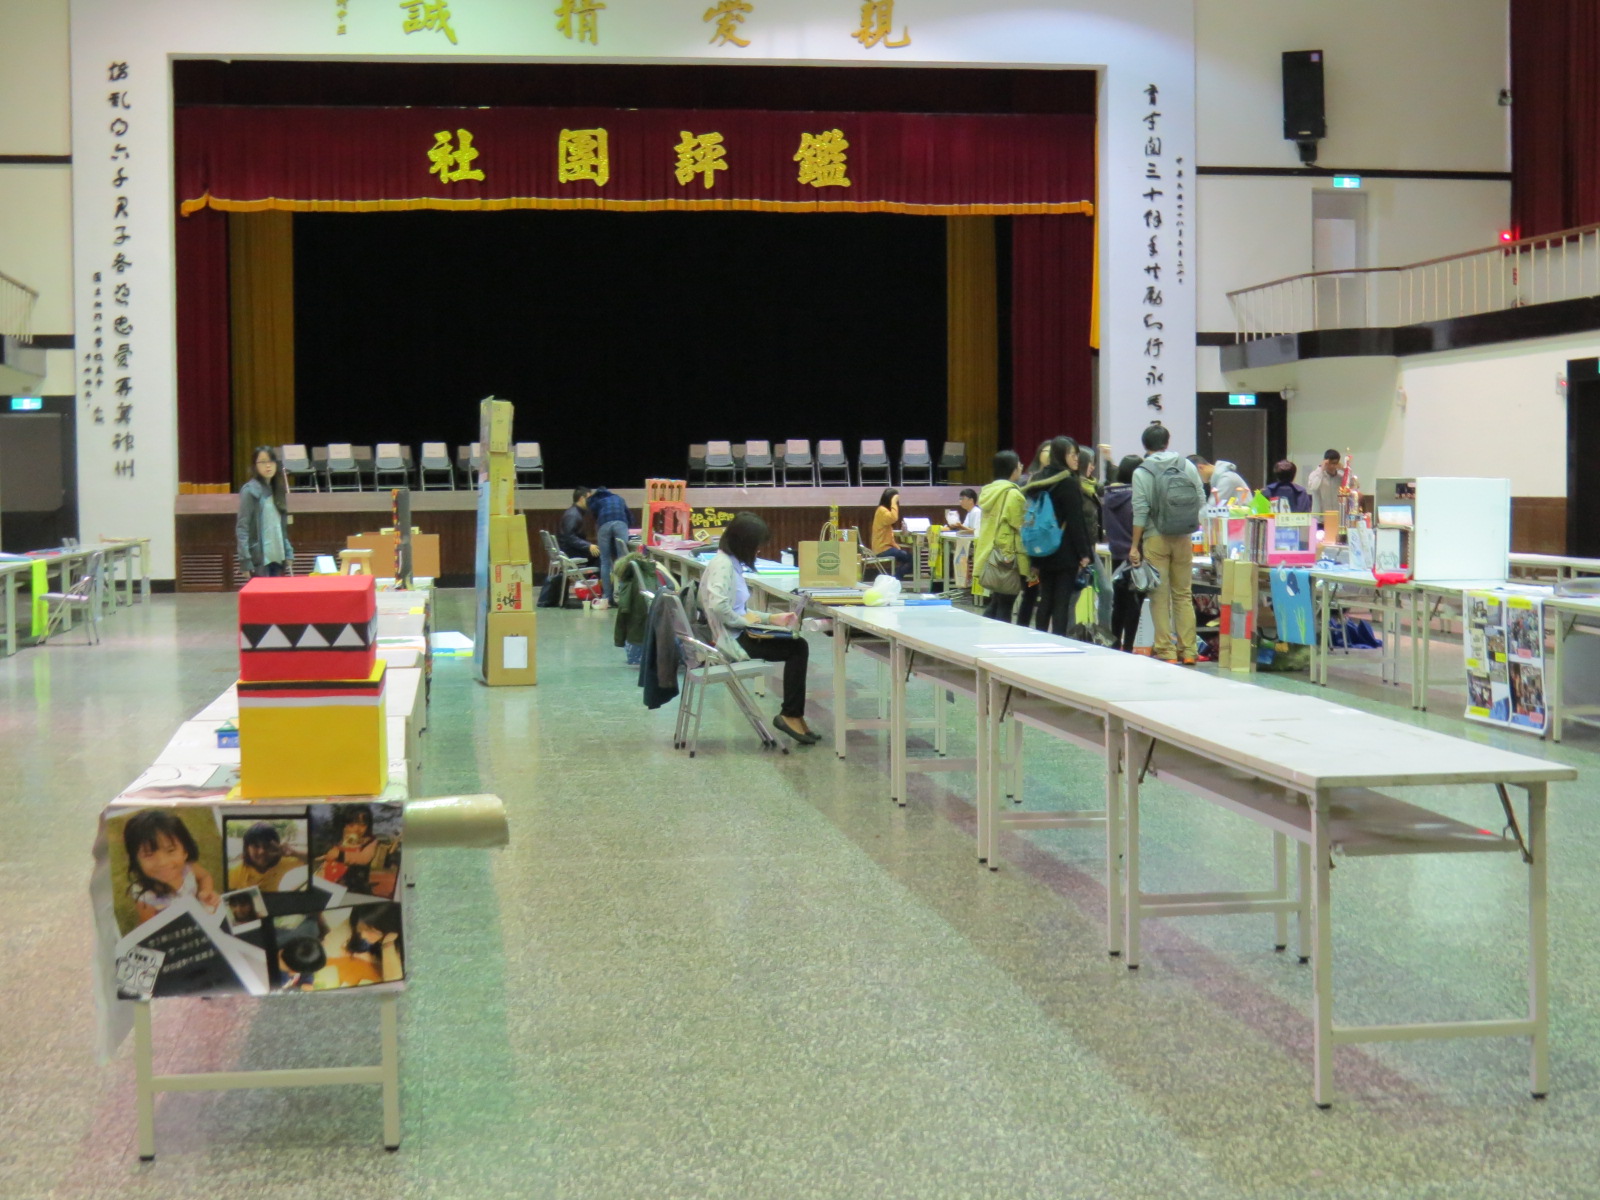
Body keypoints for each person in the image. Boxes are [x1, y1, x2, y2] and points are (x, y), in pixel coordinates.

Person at [700, 512, 816, 745]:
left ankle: (794, 714)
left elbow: (738, 610)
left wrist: (772, 618)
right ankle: (790, 714)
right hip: (730, 642)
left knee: (796, 644)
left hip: (735, 633)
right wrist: (748, 623)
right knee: (797, 648)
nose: (758, 550)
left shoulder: (729, 563)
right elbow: (719, 607)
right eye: (756, 546)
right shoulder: (723, 566)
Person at [1129, 424, 1207, 664]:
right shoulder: (1186, 465)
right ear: (1167, 442)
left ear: (1145, 445)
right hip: (1183, 537)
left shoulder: (1142, 471)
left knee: (1159, 596)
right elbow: (1200, 498)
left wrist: (1134, 545)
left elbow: (1140, 510)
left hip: (1155, 538)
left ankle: (1166, 650)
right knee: (1183, 594)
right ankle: (1189, 651)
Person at [1021, 435, 1094, 636]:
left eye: (1077, 454)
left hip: (1040, 546)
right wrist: (1084, 553)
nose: (1076, 459)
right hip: (1064, 549)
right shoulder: (1068, 482)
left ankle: (1040, 638)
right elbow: (1076, 520)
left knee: (1046, 599)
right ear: (1061, 455)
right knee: (1061, 601)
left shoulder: (1037, 478)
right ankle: (1059, 640)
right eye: (1072, 454)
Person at [122, 809, 220, 925]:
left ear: (185, 851)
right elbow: (149, 928)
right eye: (149, 854)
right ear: (136, 860)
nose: (162, 862)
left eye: (171, 850)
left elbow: (204, 877)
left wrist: (205, 892)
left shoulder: (188, 868)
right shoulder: (146, 896)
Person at [973, 450, 1028, 622]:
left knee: (998, 600)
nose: (1021, 467)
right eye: (1019, 464)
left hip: (990, 553)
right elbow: (1019, 524)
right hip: (1008, 555)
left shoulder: (989, 491)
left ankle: (983, 633)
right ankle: (1001, 637)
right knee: (1006, 603)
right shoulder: (1013, 494)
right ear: (1013, 469)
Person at [1103, 455, 1144, 652]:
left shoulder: (1109, 495)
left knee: (1118, 603)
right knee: (1134, 604)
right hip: (1135, 554)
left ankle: (1114, 642)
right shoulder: (1136, 497)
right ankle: (1128, 646)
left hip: (1116, 553)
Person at [235, 445, 293, 579]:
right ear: (255, 466)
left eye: (271, 461)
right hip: (259, 559)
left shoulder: (278, 490)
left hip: (278, 557)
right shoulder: (250, 491)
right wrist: (245, 560)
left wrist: (288, 551)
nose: (268, 466)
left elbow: (281, 527)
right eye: (262, 462)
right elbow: (242, 528)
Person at [320, 805, 386, 895]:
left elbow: (364, 858)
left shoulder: (370, 841)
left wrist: (340, 855)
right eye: (351, 825)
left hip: (354, 885)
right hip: (331, 880)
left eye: (362, 825)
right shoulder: (341, 838)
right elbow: (330, 855)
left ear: (368, 825)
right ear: (345, 826)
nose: (356, 829)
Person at [586, 486, 632, 609]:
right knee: (623, 560)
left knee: (605, 561)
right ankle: (623, 596)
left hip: (604, 525)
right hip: (621, 523)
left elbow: (595, 518)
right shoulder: (619, 498)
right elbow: (629, 516)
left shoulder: (597, 501)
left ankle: (607, 597)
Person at [228, 822, 305, 892]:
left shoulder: (284, 863)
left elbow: (312, 859)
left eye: (267, 846)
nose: (262, 851)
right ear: (246, 849)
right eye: (256, 846)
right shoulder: (235, 874)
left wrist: (294, 852)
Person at [870, 488, 912, 579]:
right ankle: (895, 580)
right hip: (882, 549)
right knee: (911, 559)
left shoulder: (882, 511)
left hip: (884, 548)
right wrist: (894, 501)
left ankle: (895, 578)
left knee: (907, 557)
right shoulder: (882, 511)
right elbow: (893, 517)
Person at [558, 486, 599, 564]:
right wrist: (588, 546)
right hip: (571, 552)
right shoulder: (573, 515)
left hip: (569, 550)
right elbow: (569, 537)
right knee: (600, 554)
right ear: (581, 498)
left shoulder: (574, 512)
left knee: (597, 552)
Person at [1307, 449, 1354, 515]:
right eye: (1330, 463)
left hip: (1337, 516)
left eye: (1335, 463)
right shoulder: (1315, 475)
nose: (1332, 466)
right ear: (1324, 461)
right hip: (1320, 517)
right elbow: (1313, 487)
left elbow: (1351, 485)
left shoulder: (1340, 477)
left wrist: (1345, 470)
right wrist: (1321, 469)